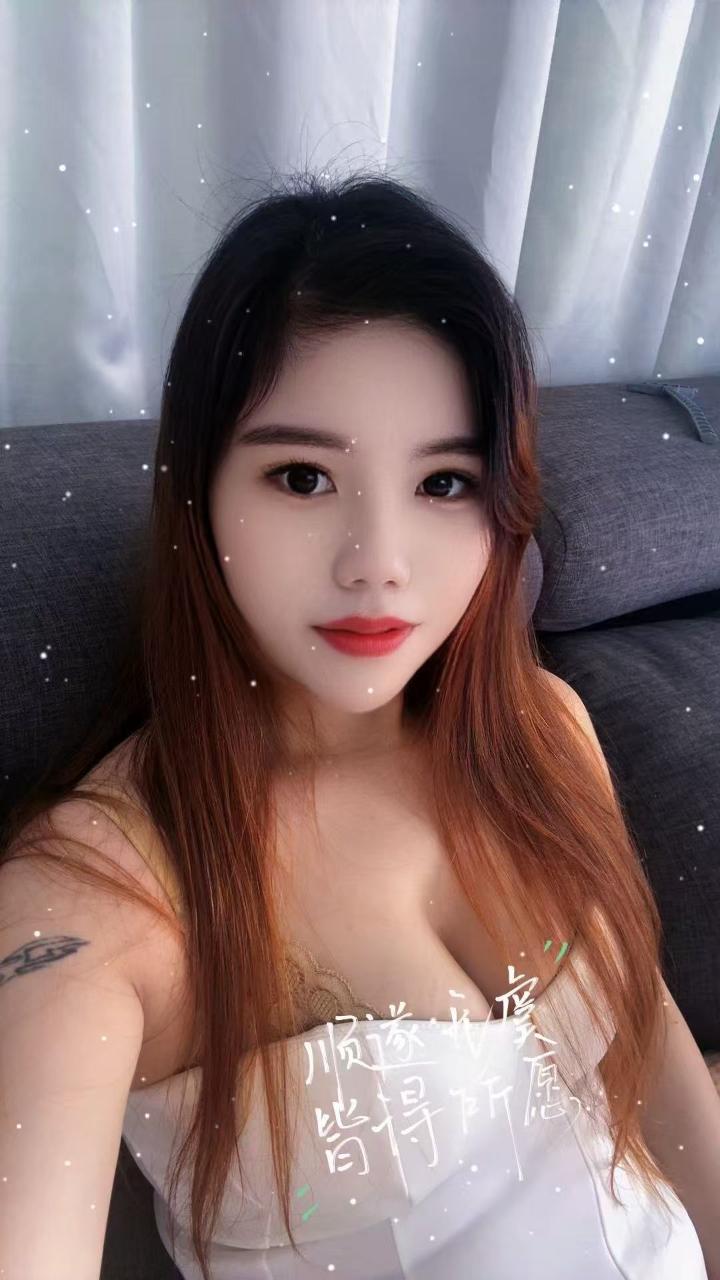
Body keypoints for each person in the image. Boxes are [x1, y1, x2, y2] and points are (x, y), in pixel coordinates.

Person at [2, 170, 718, 1280]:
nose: (378, 562)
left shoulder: (546, 728)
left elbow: (656, 1061)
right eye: (302, 476)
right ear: (197, 493)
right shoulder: (104, 893)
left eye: (446, 483)